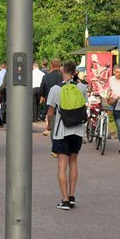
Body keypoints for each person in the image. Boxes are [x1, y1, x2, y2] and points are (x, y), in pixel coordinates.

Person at [43, 60, 86, 210]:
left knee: (62, 166)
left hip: (62, 131)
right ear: (75, 72)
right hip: (78, 131)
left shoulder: (55, 89)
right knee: (73, 163)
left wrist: (49, 126)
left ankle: (65, 199)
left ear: (62, 71)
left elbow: (50, 112)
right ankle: (72, 196)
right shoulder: (81, 88)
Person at [38, 59, 62, 124]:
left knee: (50, 126)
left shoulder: (46, 77)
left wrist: (44, 96)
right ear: (60, 66)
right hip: (62, 105)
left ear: (51, 66)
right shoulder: (63, 76)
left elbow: (41, 91)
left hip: (49, 104)